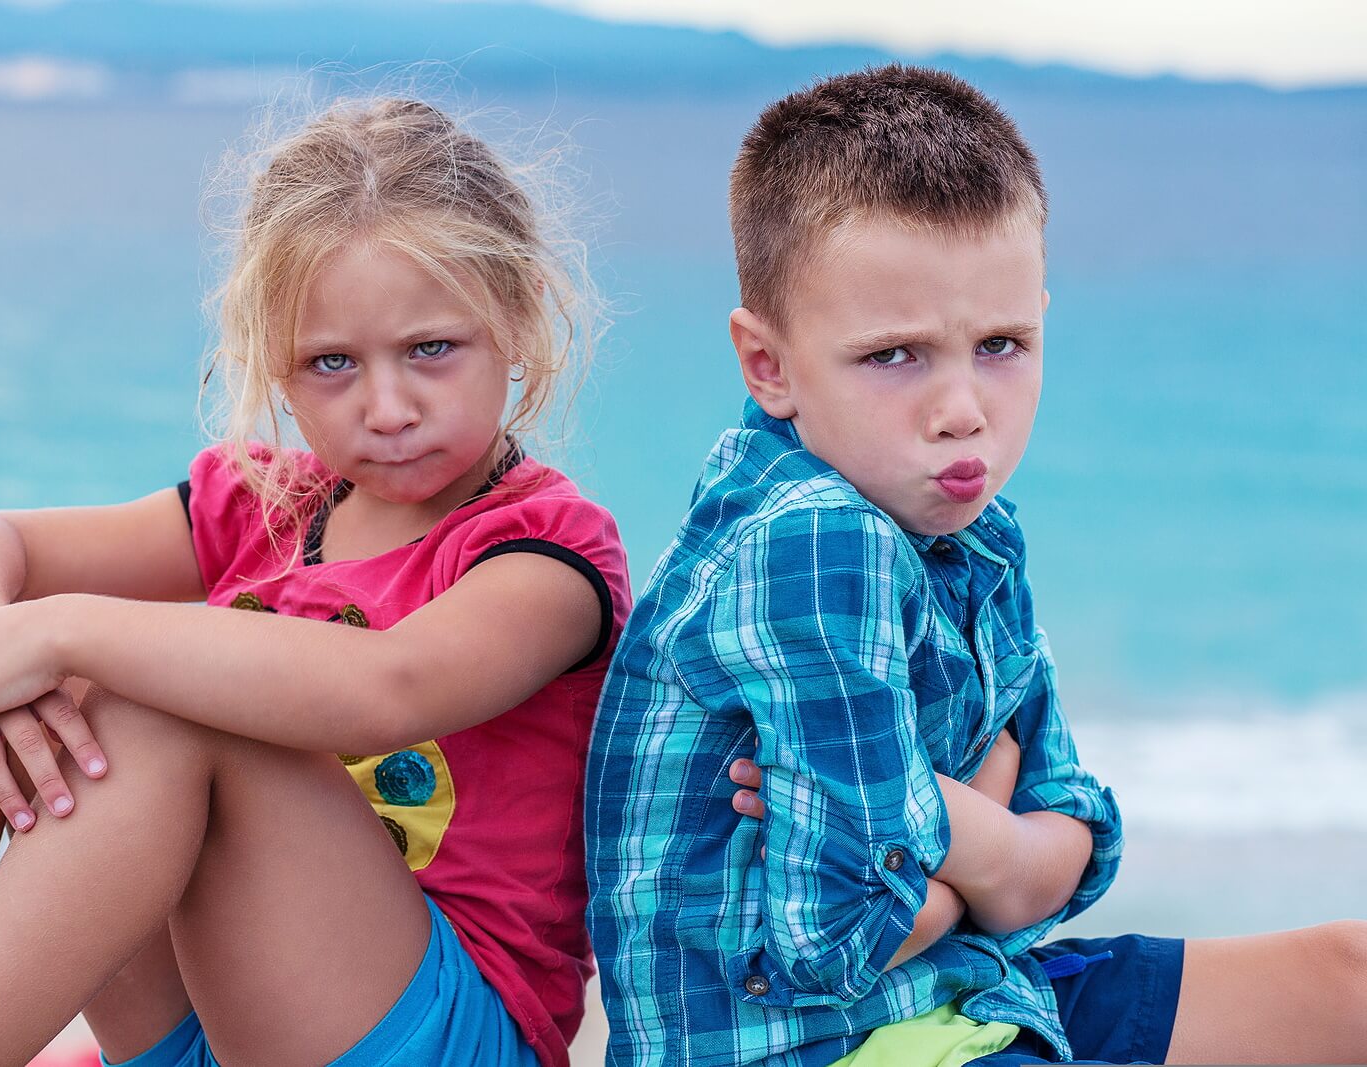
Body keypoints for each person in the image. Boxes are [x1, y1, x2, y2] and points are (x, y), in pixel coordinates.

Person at [0, 96, 630, 1067]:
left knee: (163, 706)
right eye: (332, 363)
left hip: (436, 1035)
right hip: (203, 1028)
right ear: (276, 366)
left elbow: (383, 689)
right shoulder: (267, 501)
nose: (387, 406)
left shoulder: (546, 553)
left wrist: (64, 633)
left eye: (431, 348)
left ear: (516, 320)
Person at [584, 65, 1367, 1067]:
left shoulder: (972, 523)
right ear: (767, 364)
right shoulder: (817, 539)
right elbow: (836, 939)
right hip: (811, 1041)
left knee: (1345, 982)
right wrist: (995, 837)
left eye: (1000, 343)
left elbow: (1077, 831)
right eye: (896, 355)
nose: (963, 407)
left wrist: (961, 829)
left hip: (960, 991)